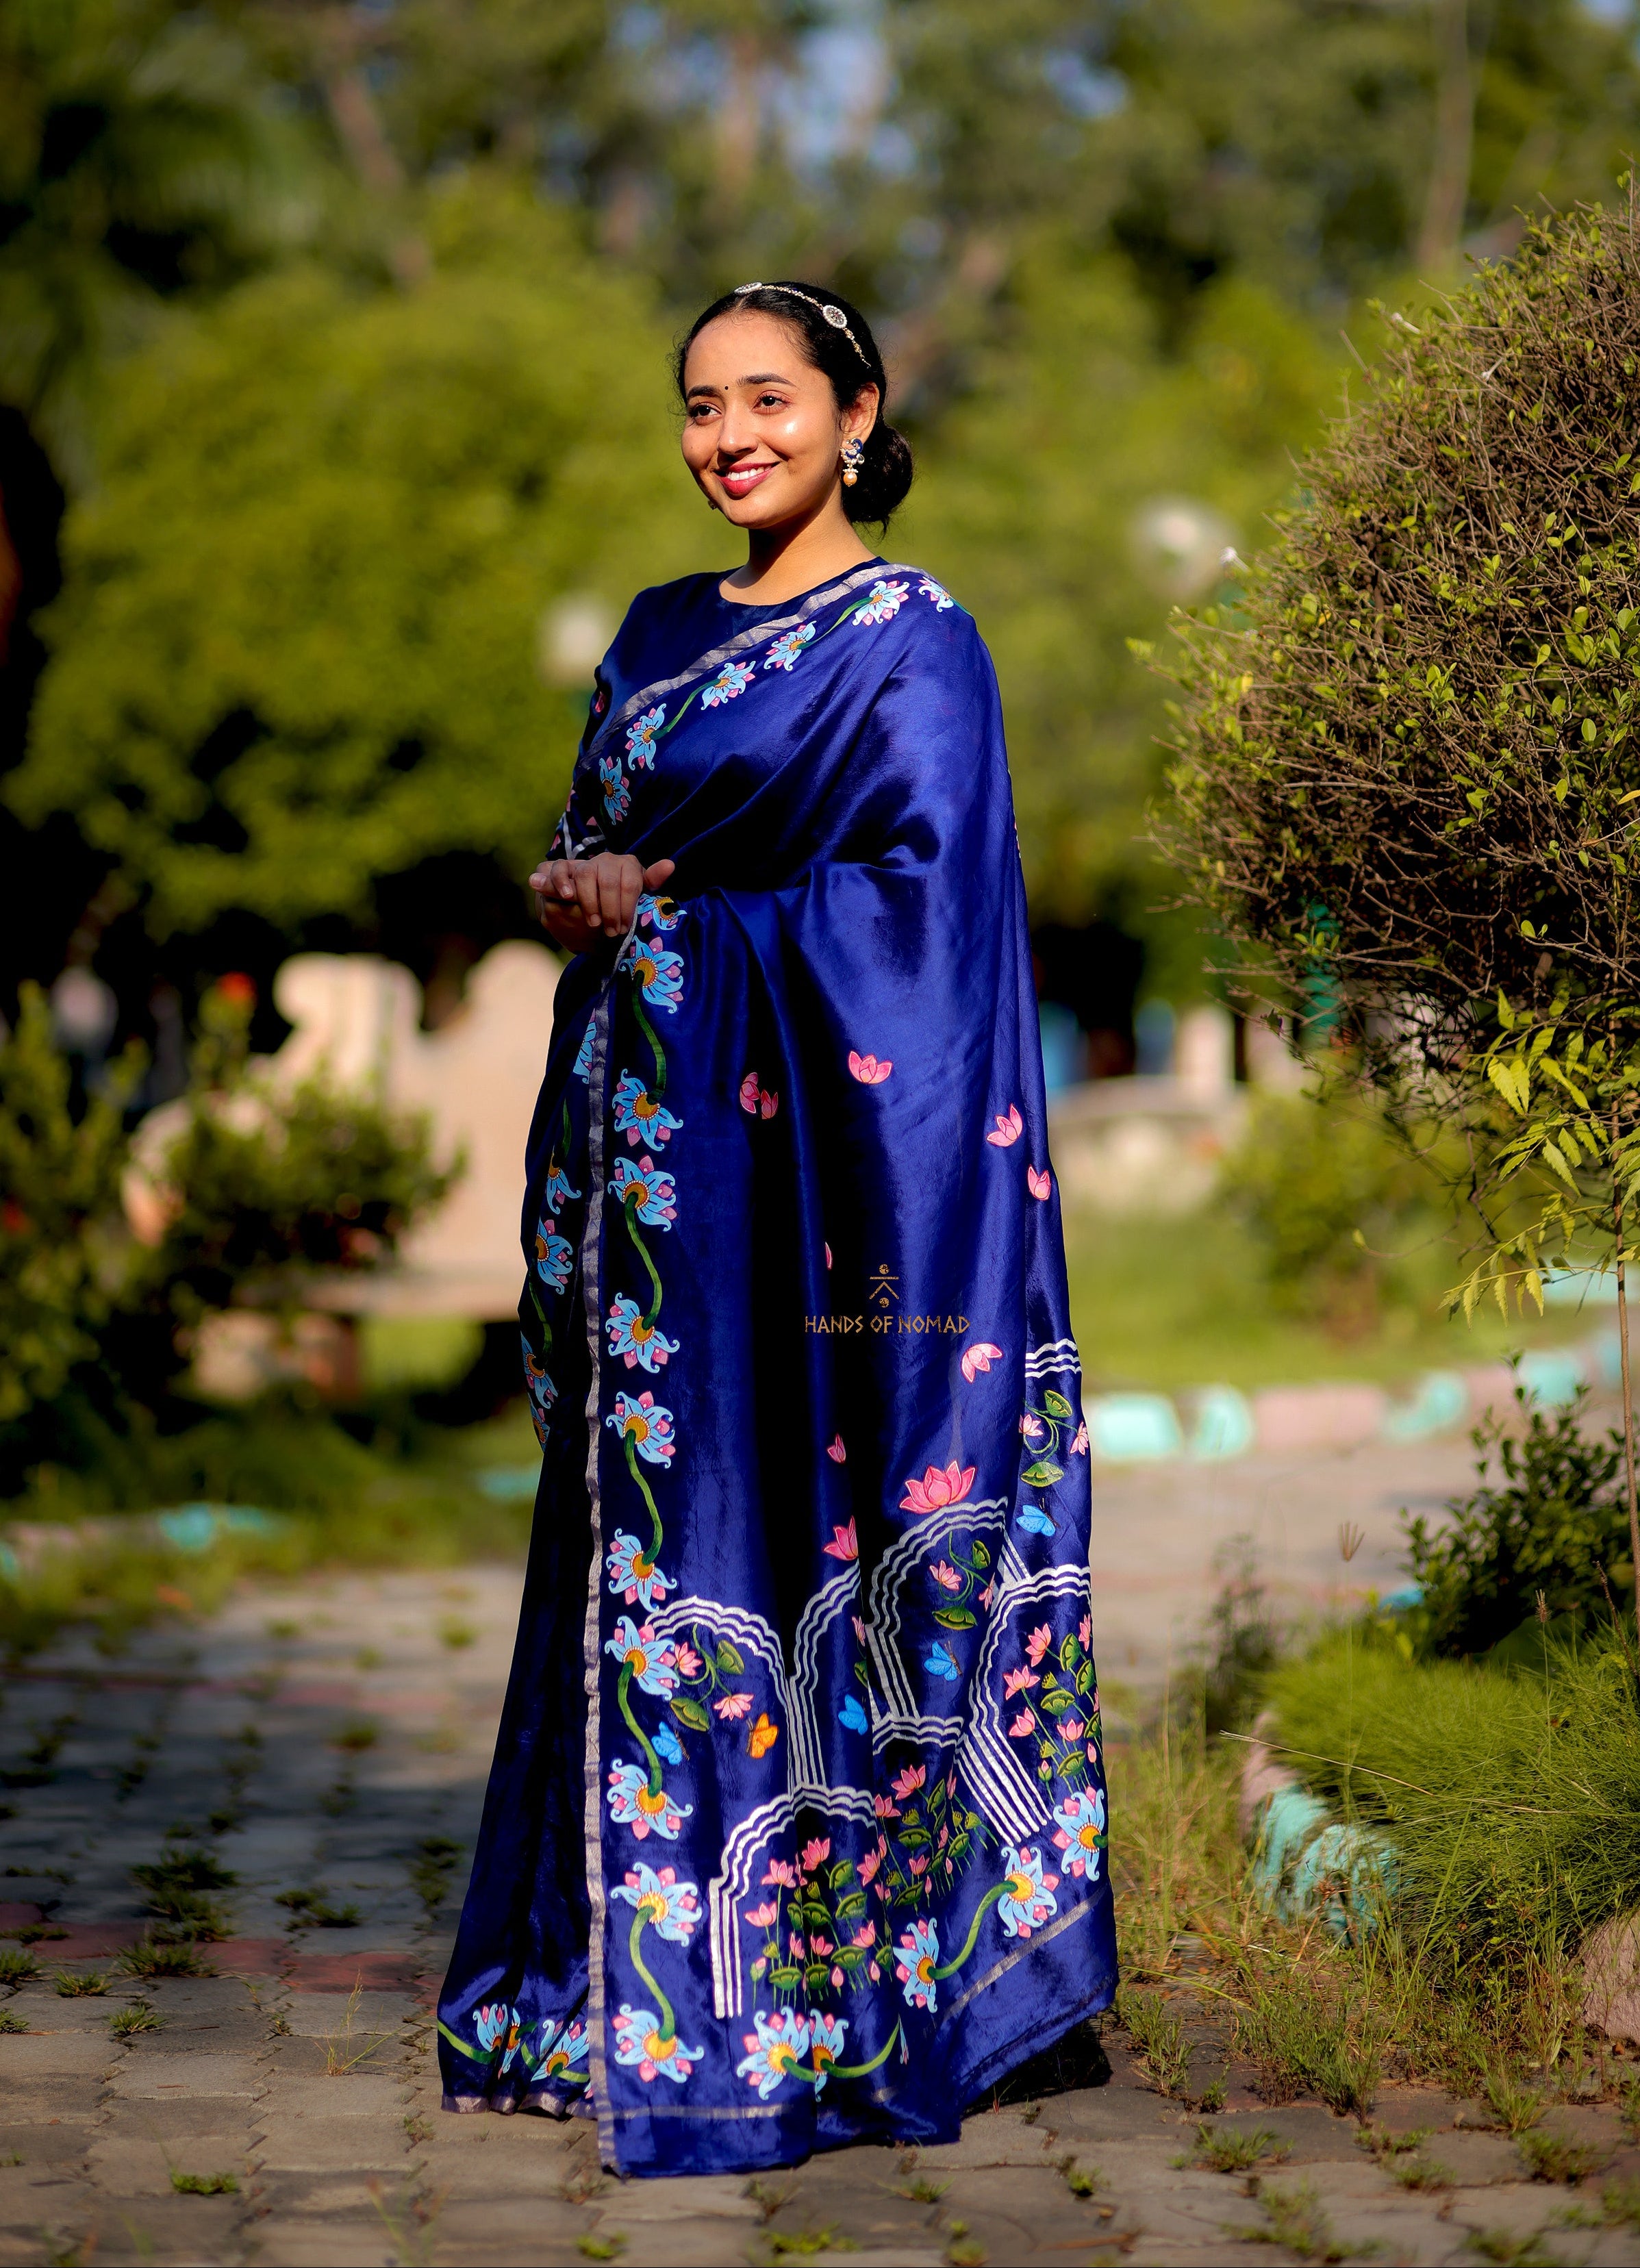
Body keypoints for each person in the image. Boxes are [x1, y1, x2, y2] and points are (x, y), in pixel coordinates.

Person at [436, 280, 1116, 2177]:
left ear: (855, 412)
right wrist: (589, 896)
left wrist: (674, 912)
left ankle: (841, 1994)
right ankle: (618, 1986)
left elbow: (923, 920)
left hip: (829, 1202)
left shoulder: (915, 641)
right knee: (649, 1552)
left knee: (823, 1554)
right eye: (698, 406)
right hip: (667, 1189)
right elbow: (605, 846)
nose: (728, 436)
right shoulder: (657, 634)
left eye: (765, 399)